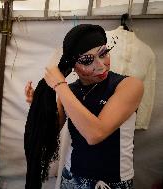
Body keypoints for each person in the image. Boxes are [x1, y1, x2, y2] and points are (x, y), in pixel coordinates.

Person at [25, 24, 143, 189]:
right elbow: (49, 133)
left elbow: (95, 134)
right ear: (73, 64)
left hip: (111, 181)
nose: (101, 65)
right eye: (88, 60)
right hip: (72, 177)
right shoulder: (69, 90)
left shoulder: (128, 85)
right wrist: (38, 106)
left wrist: (60, 85)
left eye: (103, 54)